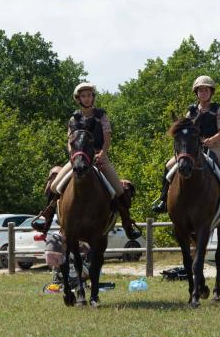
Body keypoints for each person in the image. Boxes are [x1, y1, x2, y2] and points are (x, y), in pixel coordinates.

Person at [32, 83, 142, 240]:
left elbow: (107, 138)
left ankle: (127, 223)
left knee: (118, 190)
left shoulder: (101, 116)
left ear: (93, 97)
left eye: (89, 95)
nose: (87, 98)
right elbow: (70, 142)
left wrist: (103, 153)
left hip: (98, 157)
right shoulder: (73, 119)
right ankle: (46, 219)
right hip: (79, 158)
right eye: (83, 96)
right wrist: (73, 156)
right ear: (79, 99)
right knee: (55, 186)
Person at [152, 75, 220, 219]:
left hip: (214, 147)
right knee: (169, 166)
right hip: (192, 149)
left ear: (211, 92)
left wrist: (211, 140)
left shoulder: (217, 110)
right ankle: (163, 200)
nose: (203, 93)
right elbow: (186, 130)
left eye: (206, 90)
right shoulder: (191, 111)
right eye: (200, 90)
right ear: (196, 93)